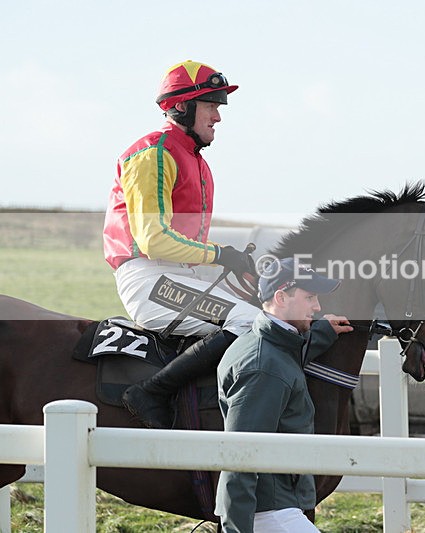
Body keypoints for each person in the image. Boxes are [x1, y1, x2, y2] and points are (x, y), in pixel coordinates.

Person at [103, 60, 260, 429]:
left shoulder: (195, 161)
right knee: (249, 321)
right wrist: (221, 255)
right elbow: (154, 240)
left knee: (268, 311)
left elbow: (183, 243)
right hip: (149, 280)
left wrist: (231, 261)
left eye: (219, 106)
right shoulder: (153, 153)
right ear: (182, 107)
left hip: (180, 277)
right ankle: (150, 392)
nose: (218, 117)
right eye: (211, 106)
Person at [215, 258, 353, 533]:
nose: (317, 306)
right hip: (268, 513)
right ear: (281, 298)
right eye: (310, 297)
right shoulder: (263, 367)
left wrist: (322, 333)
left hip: (273, 507)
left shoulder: (268, 346)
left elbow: (288, 356)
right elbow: (239, 458)